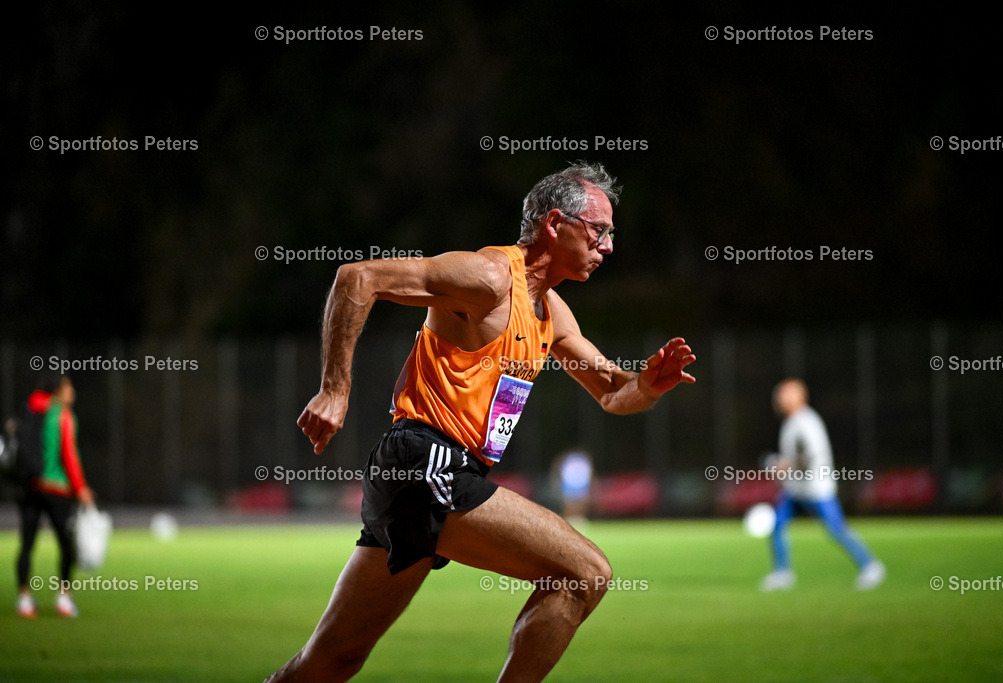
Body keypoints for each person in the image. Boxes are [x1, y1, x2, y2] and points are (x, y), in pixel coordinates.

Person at [269, 162, 696, 682]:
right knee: (586, 574)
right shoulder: (489, 278)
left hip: (425, 477)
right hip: (425, 459)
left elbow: (611, 391)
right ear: (554, 223)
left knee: (331, 661)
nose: (608, 245)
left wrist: (649, 383)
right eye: (598, 230)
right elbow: (357, 277)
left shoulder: (551, 313)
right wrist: (335, 388)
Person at [760, 378, 885, 591]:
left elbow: (810, 456)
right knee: (778, 526)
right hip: (796, 489)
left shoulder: (806, 421)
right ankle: (782, 573)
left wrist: (783, 466)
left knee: (837, 529)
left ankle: (871, 566)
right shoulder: (792, 421)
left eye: (784, 394)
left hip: (816, 488)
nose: (779, 398)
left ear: (799, 396)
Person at [16, 375, 94, 618]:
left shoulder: (30, 409)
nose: (73, 391)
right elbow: (69, 455)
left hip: (30, 485)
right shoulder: (63, 415)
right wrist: (80, 488)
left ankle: (24, 598)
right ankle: (64, 597)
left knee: (27, 544)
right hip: (58, 489)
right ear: (58, 391)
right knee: (66, 545)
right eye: (69, 387)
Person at [551, 448, 594, 525]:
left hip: (581, 484)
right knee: (569, 505)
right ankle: (565, 522)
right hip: (568, 485)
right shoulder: (567, 461)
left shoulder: (582, 462)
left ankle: (580, 521)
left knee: (581, 504)